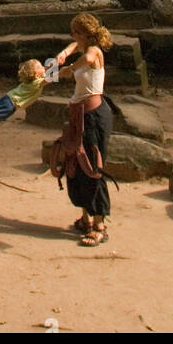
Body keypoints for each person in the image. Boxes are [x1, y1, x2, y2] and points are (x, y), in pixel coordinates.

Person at [53, 13, 114, 247]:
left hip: (94, 117)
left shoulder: (94, 51)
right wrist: (65, 52)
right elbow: (75, 47)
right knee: (75, 165)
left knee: (92, 167)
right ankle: (86, 217)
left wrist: (65, 69)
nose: (72, 37)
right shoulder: (82, 45)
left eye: (76, 33)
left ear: (87, 35)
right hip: (79, 115)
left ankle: (100, 225)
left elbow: (87, 58)